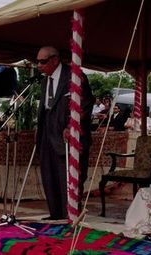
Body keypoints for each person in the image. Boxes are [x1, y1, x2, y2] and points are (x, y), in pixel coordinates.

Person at [35, 46, 94, 220]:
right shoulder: (45, 79)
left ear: (55, 60)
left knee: (66, 176)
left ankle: (69, 215)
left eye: (43, 61)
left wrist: (72, 125)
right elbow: (46, 107)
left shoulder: (74, 75)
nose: (38, 65)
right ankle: (55, 215)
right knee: (49, 173)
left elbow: (86, 103)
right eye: (37, 61)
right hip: (47, 130)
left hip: (67, 131)